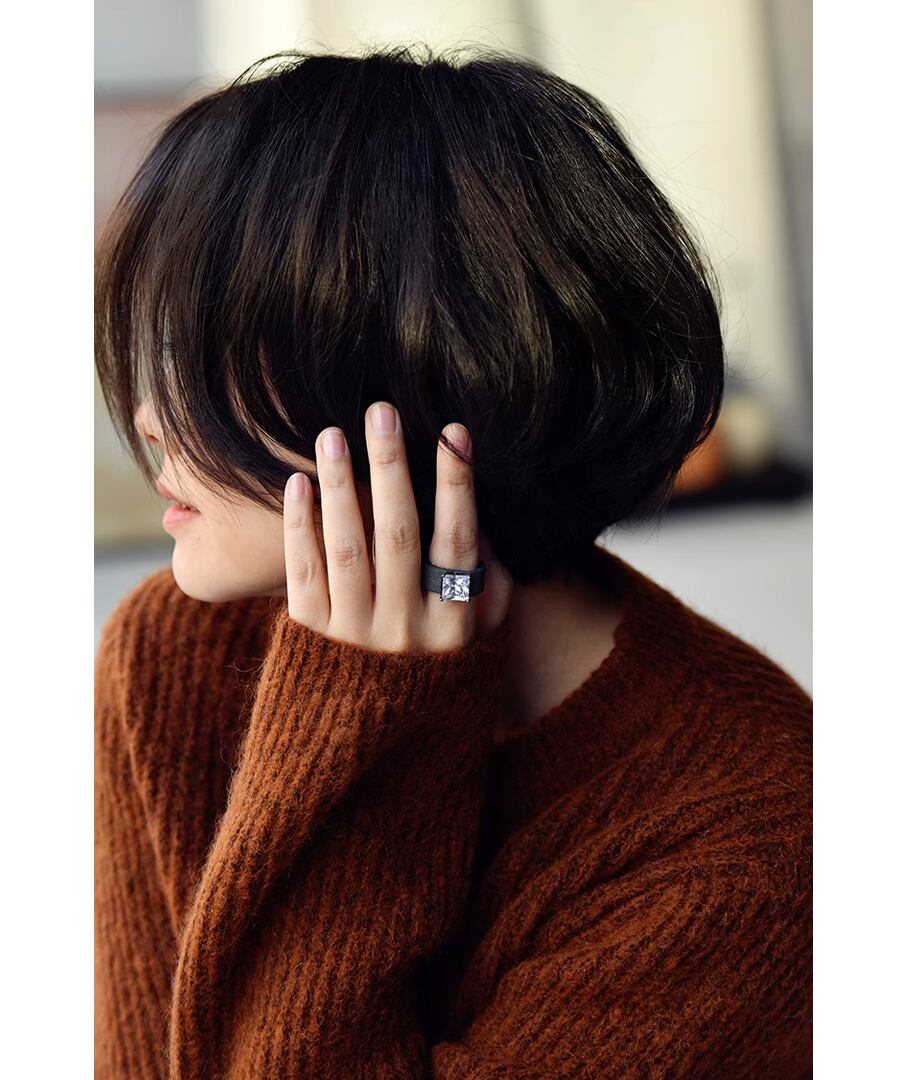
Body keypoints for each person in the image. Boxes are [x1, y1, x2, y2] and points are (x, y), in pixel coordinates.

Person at [94, 45, 812, 1079]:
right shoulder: (172, 654)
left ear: (413, 371)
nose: (151, 418)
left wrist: (364, 723)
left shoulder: (755, 842)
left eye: (212, 358)